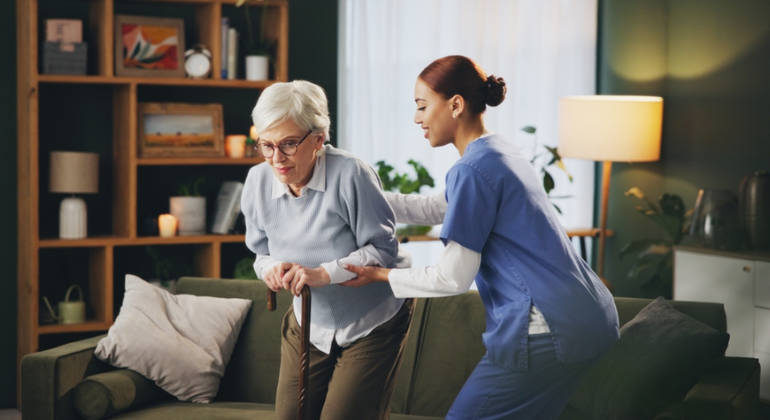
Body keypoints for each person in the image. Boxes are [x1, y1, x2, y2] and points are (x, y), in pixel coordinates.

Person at [343, 55, 620, 420]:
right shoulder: (497, 150)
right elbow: (433, 208)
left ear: (455, 104)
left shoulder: (472, 169)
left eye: (423, 107)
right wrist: (359, 196)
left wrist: (379, 275)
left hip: (547, 327)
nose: (416, 119)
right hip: (591, 318)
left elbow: (452, 278)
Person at [241, 80, 412, 420]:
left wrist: (323, 273)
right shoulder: (257, 182)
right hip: (309, 322)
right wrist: (271, 269)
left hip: (371, 322)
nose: (277, 158)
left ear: (318, 139)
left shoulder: (351, 174)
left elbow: (383, 248)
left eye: (289, 144)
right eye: (266, 145)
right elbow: (260, 253)